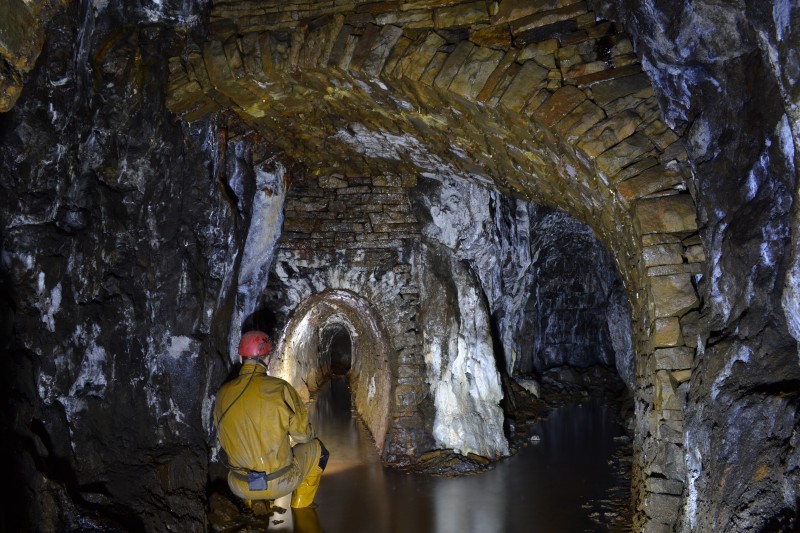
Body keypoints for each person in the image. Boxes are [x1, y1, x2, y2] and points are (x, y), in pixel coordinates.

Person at [213, 330, 329, 509]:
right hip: (278, 482)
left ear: (240, 357)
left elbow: (222, 438)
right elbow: (303, 436)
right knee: (320, 451)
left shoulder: (222, 394)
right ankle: (301, 510)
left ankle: (250, 507)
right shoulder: (281, 389)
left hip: (239, 484)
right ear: (268, 358)